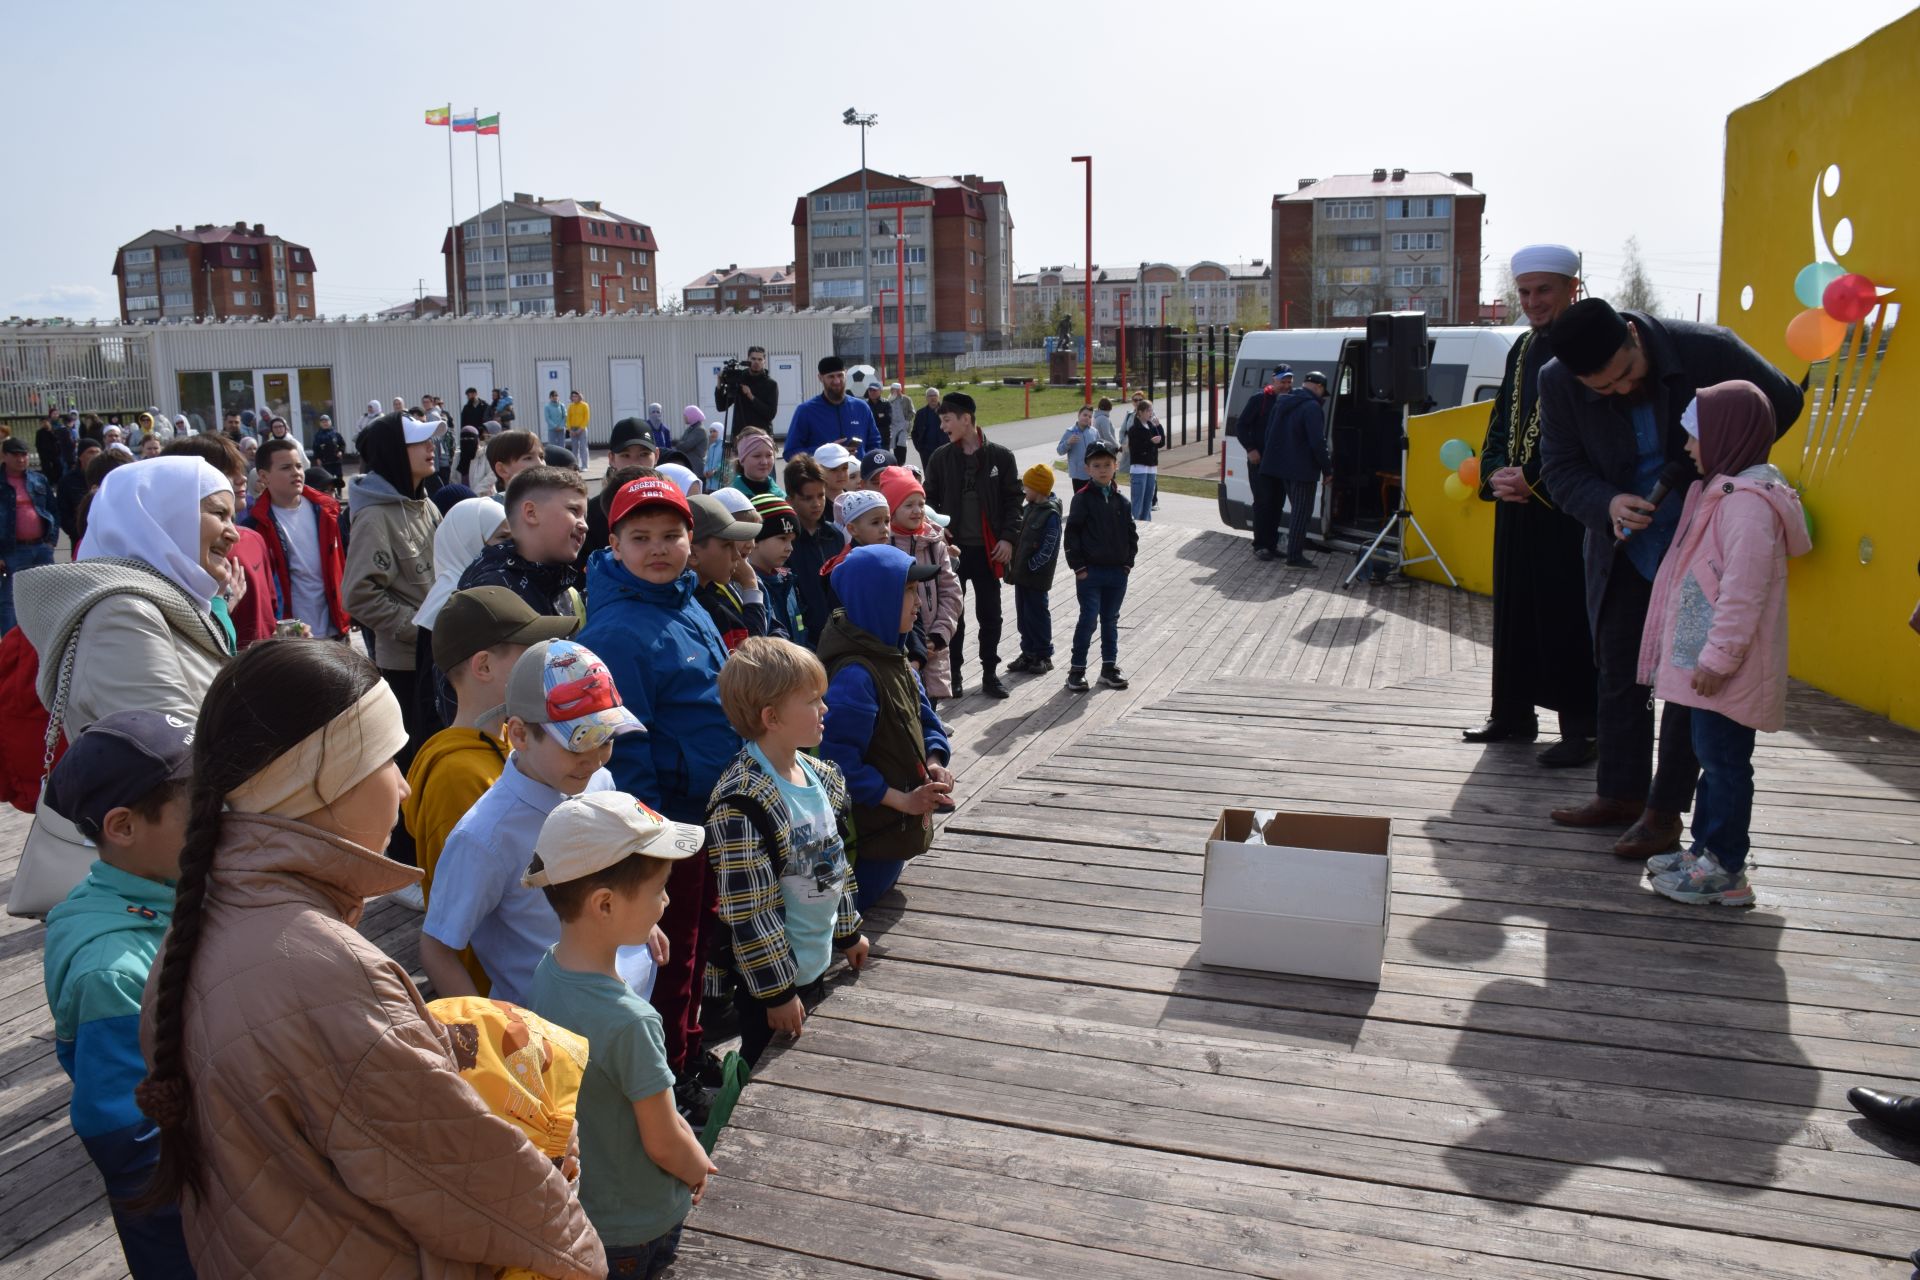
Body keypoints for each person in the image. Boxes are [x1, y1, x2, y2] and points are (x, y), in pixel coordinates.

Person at [129, 640, 605, 1279]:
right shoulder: (325, 970)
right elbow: (472, 1180)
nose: (405, 786)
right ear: (322, 777)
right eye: (388, 759)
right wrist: (580, 1252)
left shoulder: (198, 931)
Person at [1539, 297, 1803, 858]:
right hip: (1624, 546)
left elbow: (1784, 399)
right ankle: (1620, 794)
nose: (1620, 391)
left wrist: (1724, 467)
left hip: (1700, 545)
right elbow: (1560, 469)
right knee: (1617, 668)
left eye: (1628, 375)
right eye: (1602, 390)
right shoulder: (1557, 381)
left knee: (1686, 678)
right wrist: (1607, 502)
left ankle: (1664, 811)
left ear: (1635, 336)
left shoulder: (1711, 350)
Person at [579, 474, 741, 1115]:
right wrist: (648, 841)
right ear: (613, 543)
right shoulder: (618, 632)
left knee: (695, 943)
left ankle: (687, 1044)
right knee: (669, 954)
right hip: (663, 826)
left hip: (700, 814)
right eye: (639, 537)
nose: (658, 549)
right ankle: (668, 1076)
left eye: (671, 535)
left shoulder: (683, 599)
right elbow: (626, 752)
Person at [526, 792, 715, 1276]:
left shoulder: (547, 970)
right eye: (659, 890)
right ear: (605, 905)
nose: (667, 901)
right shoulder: (632, 1021)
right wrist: (698, 1167)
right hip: (638, 1226)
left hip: (584, 1212)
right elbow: (663, 1140)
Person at [1637, 382, 1810, 906]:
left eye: (1696, 435)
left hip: (1723, 669)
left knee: (1727, 765)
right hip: (1707, 668)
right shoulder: (1727, 491)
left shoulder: (1748, 506)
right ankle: (1705, 851)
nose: (1688, 447)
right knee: (1712, 762)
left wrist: (1717, 658)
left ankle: (1727, 869)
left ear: (1728, 435)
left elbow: (1742, 594)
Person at [39, 711, 196, 1277]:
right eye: (199, 805)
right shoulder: (111, 971)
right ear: (123, 827)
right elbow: (128, 1138)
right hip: (185, 1222)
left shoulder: (166, 886)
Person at [420, 636, 648, 1006]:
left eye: (605, 738)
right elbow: (436, 947)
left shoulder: (597, 780)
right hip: (547, 1039)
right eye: (578, 742)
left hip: (626, 1008)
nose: (594, 759)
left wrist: (642, 923)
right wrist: (492, 1034)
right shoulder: (484, 836)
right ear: (521, 734)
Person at [1467, 244, 1600, 766]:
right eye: (1524, 292)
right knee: (1515, 612)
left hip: (1564, 509)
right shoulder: (1521, 347)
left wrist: (1537, 481)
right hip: (1517, 506)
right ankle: (1513, 715)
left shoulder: (1591, 343)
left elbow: (1594, 433)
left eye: (1544, 290)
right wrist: (1498, 472)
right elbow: (1501, 417)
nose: (1533, 301)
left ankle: (1583, 730)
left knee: (1566, 615)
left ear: (1573, 288)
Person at [708, 637, 870, 1066]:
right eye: (813, 700)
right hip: (772, 984)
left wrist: (848, 931)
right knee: (768, 1069)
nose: (825, 709)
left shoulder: (819, 775)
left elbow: (833, 862)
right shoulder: (742, 804)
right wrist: (777, 993)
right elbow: (750, 911)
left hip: (818, 961)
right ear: (771, 717)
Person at [405, 587, 576, 931]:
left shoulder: (507, 740)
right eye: (529, 653)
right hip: (500, 982)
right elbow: (457, 919)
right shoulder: (456, 776)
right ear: (483, 665)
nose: (545, 662)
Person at [819, 545, 953, 911]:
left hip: (896, 834)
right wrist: (904, 801)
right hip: (870, 842)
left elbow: (926, 718)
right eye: (908, 591)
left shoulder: (895, 658)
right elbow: (838, 765)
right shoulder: (855, 678)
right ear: (878, 599)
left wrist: (935, 757)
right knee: (855, 916)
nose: (919, 603)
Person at [343, 412, 443, 776]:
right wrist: (420, 631)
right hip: (405, 668)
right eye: (419, 441)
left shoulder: (425, 503)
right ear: (394, 451)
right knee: (413, 766)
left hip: (436, 659)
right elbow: (359, 595)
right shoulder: (374, 517)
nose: (432, 447)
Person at [923, 391, 1020, 699]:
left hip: (990, 551)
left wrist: (1008, 538)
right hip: (953, 553)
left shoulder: (1001, 457)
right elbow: (926, 501)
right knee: (955, 616)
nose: (943, 427)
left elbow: (1014, 502)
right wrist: (938, 528)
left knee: (991, 614)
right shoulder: (940, 458)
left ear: (966, 420)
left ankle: (990, 673)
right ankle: (955, 675)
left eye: (947, 420)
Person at [246, 438, 348, 641]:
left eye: (299, 466)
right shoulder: (256, 526)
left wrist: (348, 614)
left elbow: (342, 565)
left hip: (335, 628)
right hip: (295, 635)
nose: (296, 473)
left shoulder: (327, 512)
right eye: (286, 467)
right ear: (264, 476)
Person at [458, 465, 588, 620]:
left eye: (585, 516)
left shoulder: (562, 586)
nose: (585, 526)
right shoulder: (492, 592)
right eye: (574, 511)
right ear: (531, 513)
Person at [877, 467, 962, 700]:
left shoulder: (936, 543)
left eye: (921, 503)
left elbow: (951, 591)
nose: (917, 511)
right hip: (901, 645)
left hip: (934, 643)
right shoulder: (885, 546)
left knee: (929, 704)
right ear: (892, 510)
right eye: (908, 505)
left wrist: (938, 635)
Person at [1063, 440, 1137, 692]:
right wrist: (1079, 567)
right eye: (1097, 465)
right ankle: (1077, 669)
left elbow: (1131, 534)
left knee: (1110, 620)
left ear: (1116, 466)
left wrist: (1128, 563)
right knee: (1088, 619)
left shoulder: (1122, 502)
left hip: (1117, 573)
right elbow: (1072, 534)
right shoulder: (1082, 500)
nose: (1103, 469)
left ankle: (1109, 667)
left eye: (1107, 464)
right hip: (1090, 573)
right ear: (1087, 469)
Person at [1261, 372, 1332, 569]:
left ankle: (1293, 552)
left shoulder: (1283, 401)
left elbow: (1269, 433)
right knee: (1301, 513)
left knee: (1297, 510)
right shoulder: (1312, 407)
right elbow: (1318, 442)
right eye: (1323, 392)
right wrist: (1327, 469)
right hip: (1302, 469)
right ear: (1318, 387)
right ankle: (1294, 557)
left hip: (1283, 466)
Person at [687, 493, 766, 651]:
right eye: (727, 545)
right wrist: (750, 583)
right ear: (693, 553)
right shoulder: (705, 608)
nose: (737, 555)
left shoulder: (708, 598)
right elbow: (753, 658)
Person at [1006, 462, 1063, 676]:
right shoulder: (1028, 508)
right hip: (1021, 574)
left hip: (1036, 576)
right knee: (1023, 614)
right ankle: (1027, 651)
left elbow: (1049, 547)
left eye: (1027, 487)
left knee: (1037, 613)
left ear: (1038, 489)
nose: (1024, 490)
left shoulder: (1050, 515)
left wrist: (1032, 565)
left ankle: (1043, 654)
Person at [783, 455, 844, 650]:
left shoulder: (835, 535)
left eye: (820, 495)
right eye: (807, 498)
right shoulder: (787, 542)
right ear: (790, 500)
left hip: (840, 633)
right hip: (806, 639)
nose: (817, 503)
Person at [2, 436, 60, 631]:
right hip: (12, 550)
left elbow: (53, 509)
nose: (21, 459)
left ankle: (46, 635)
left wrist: (51, 540)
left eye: (24, 455)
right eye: (16, 455)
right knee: (11, 600)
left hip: (41, 547)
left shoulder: (39, 479)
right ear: (4, 456)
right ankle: (10, 644)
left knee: (48, 594)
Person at [784, 356, 882, 459]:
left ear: (846, 373)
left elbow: (874, 444)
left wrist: (865, 465)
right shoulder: (806, 411)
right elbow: (790, 453)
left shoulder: (861, 408)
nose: (837, 381)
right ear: (820, 378)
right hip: (821, 475)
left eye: (840, 375)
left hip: (858, 474)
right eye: (831, 377)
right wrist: (826, 452)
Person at [1242, 370, 1293, 557]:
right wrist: (1250, 449)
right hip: (1260, 462)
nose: (1286, 385)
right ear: (1274, 380)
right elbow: (1241, 426)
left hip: (1280, 463)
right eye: (1283, 381)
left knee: (1277, 503)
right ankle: (1260, 545)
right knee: (1263, 502)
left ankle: (1272, 545)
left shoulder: (1291, 400)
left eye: (1289, 381)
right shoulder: (1260, 399)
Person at [748, 494, 806, 646]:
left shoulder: (788, 580)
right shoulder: (747, 586)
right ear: (755, 538)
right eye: (782, 538)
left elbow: (800, 625)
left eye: (791, 540)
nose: (790, 547)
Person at [713, 345, 780, 437]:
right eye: (753, 359)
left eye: (760, 359)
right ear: (747, 359)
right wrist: (719, 384)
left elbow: (770, 414)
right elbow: (721, 407)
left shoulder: (771, 384)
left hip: (761, 436)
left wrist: (751, 397)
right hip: (740, 436)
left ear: (764, 361)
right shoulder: (739, 379)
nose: (756, 362)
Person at [55, 437, 101, 551]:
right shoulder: (67, 481)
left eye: (98, 452)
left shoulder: (107, 477)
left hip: (105, 540)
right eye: (90, 452)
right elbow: (63, 514)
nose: (95, 455)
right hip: (80, 541)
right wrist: (80, 533)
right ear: (80, 456)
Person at [1123, 397, 1165, 522]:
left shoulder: (1152, 426)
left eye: (1151, 411)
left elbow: (1161, 443)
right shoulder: (1134, 429)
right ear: (1140, 412)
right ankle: (1134, 525)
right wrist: (1150, 442)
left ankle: (1147, 524)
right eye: (1147, 411)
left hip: (1151, 468)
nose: (1150, 413)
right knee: (1138, 501)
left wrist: (1159, 426)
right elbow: (1135, 448)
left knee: (1148, 500)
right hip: (1139, 468)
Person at [483, 426, 544, 504]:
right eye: (528, 458)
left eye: (541, 457)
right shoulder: (492, 510)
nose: (540, 464)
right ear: (502, 470)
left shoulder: (556, 504)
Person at [1056, 404, 1102, 490]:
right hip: (1078, 474)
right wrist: (1068, 442)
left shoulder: (1094, 432)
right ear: (1079, 415)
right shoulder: (1070, 432)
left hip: (1092, 473)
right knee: (1080, 500)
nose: (1087, 418)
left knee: (1093, 499)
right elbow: (1059, 451)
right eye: (1084, 415)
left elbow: (1099, 448)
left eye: (1089, 416)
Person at [729, 428, 783, 499]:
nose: (764, 462)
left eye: (769, 455)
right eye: (757, 456)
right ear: (742, 460)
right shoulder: (732, 497)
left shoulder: (781, 497)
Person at [811, 442, 858, 511]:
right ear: (818, 470)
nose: (841, 475)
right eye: (834, 470)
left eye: (845, 468)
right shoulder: (816, 506)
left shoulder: (856, 500)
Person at [911, 386, 946, 469]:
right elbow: (914, 432)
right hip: (926, 451)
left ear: (938, 397)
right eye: (930, 395)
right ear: (926, 398)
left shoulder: (946, 411)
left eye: (935, 395)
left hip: (944, 449)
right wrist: (920, 448)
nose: (933, 398)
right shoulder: (921, 413)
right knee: (929, 474)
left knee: (945, 474)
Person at [310, 414, 345, 496]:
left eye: (327, 421)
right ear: (320, 424)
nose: (325, 423)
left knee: (339, 477)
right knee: (329, 478)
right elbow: (315, 448)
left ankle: (339, 493)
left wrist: (341, 451)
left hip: (336, 461)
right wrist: (317, 458)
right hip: (326, 462)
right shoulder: (318, 436)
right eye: (323, 422)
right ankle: (330, 493)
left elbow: (342, 444)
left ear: (330, 422)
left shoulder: (336, 434)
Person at [886, 383, 912, 465]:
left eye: (895, 390)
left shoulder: (906, 399)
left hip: (903, 425)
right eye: (892, 389)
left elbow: (911, 411)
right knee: (894, 445)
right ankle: (896, 462)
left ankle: (902, 462)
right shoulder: (888, 400)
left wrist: (907, 421)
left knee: (902, 444)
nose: (893, 391)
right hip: (893, 426)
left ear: (899, 390)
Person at [566, 390, 591, 471]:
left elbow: (586, 418)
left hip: (582, 429)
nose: (574, 398)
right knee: (574, 448)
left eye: (576, 396)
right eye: (573, 396)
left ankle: (584, 466)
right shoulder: (570, 406)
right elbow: (568, 418)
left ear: (579, 396)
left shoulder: (585, 405)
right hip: (573, 429)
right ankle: (575, 465)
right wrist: (570, 429)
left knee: (583, 447)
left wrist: (581, 429)